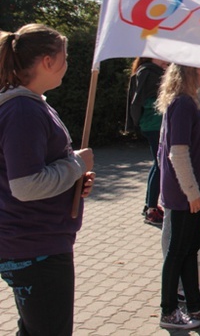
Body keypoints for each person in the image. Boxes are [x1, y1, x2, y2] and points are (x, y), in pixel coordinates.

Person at [0, 24, 96, 335]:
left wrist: (74, 179)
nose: (67, 64)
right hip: (34, 246)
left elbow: (40, 170)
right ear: (47, 61)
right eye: (64, 57)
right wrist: (76, 165)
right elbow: (26, 185)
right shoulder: (22, 109)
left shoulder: (30, 103)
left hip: (34, 242)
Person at [157, 64, 200, 329]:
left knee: (189, 251)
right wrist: (192, 193)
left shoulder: (187, 103)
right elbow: (178, 152)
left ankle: (195, 306)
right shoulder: (183, 105)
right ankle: (168, 311)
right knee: (178, 252)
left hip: (190, 194)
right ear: (190, 72)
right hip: (185, 196)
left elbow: (188, 145)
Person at [127, 57, 169, 226]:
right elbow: (139, 101)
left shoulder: (153, 71)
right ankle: (151, 210)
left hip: (154, 124)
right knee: (160, 165)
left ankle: (149, 206)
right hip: (153, 124)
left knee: (156, 164)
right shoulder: (148, 72)